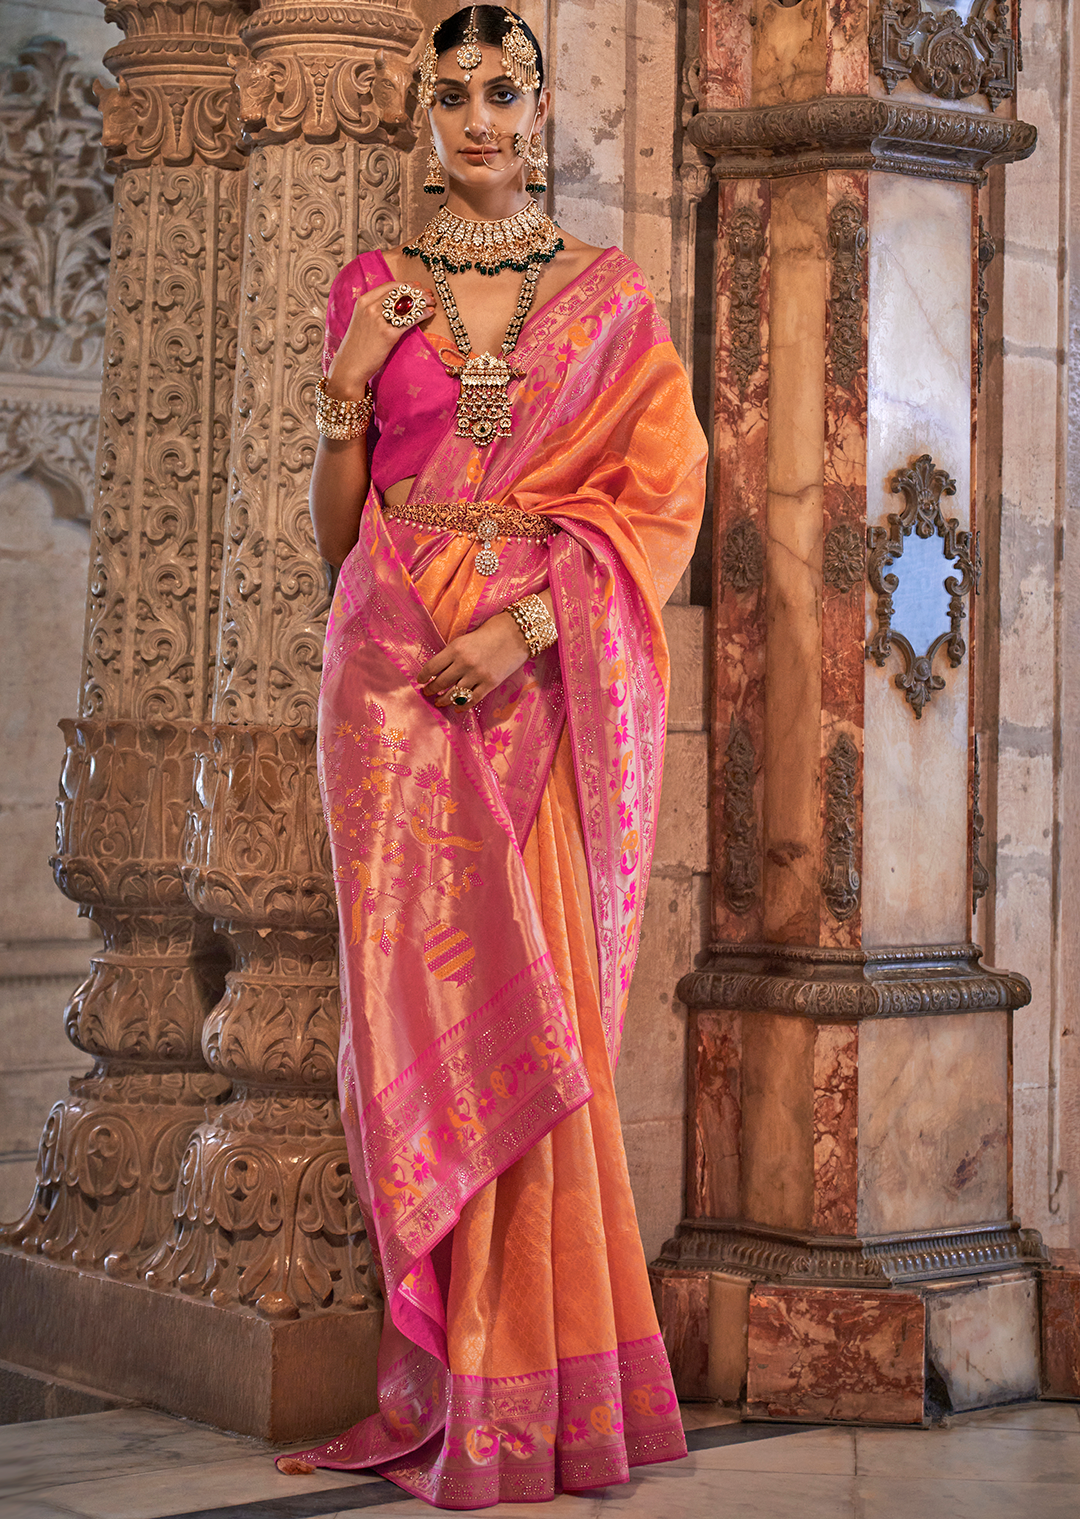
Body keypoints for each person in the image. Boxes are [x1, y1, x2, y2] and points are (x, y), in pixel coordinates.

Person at [278, 6, 707, 1508]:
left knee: (535, 1007)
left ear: (540, 110)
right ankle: (445, 1365)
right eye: (451, 93)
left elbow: (661, 501)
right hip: (393, 691)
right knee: (422, 1013)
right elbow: (337, 536)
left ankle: (530, 1385)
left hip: (529, 684)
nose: (477, 117)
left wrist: (525, 631)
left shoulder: (608, 297)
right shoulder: (376, 288)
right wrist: (349, 382)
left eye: (502, 90)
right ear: (424, 117)